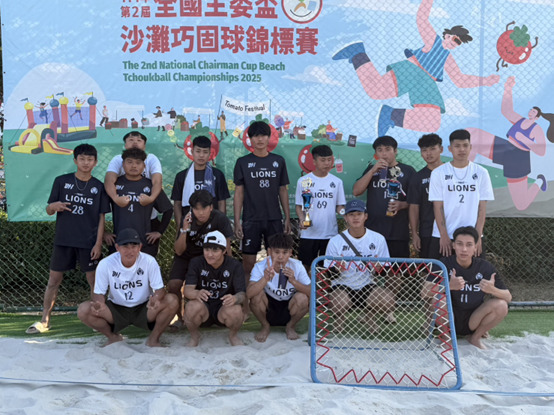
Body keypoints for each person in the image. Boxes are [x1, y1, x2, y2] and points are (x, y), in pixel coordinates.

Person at [332, 0, 499, 136]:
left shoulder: (448, 58)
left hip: (427, 83)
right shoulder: (433, 41)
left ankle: (391, 115)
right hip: (412, 71)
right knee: (376, 90)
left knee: (432, 122)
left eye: (458, 43)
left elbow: (460, 80)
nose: (454, 43)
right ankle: (358, 54)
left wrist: (485, 81)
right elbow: (422, 19)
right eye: (454, 39)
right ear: (448, 35)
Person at [26, 144, 110, 335]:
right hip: (63, 240)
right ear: (75, 161)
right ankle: (45, 320)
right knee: (53, 280)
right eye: (82, 159)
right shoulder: (61, 181)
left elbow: (101, 218)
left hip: (88, 242)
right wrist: (53, 206)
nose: (86, 162)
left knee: (94, 282)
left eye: (90, 159)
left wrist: (98, 243)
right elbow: (49, 210)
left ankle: (97, 319)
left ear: (95, 162)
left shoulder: (99, 187)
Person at [77, 228, 178, 347]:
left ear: (140, 247)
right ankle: (113, 337)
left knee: (172, 300)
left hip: (144, 307)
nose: (130, 251)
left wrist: (155, 299)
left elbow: (160, 289)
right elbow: (99, 292)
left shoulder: (149, 261)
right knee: (83, 310)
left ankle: (153, 339)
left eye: (134, 246)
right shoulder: (106, 264)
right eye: (125, 246)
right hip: (116, 309)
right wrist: (99, 303)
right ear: (117, 247)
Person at [466, 76, 553, 211]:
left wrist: (524, 139)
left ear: (537, 117)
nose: (531, 112)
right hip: (505, 148)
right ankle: (466, 176)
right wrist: (508, 89)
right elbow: (506, 111)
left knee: (521, 205)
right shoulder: (520, 120)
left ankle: (539, 181)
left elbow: (541, 151)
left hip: (518, 159)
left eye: (534, 111)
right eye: (531, 110)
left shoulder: (536, 129)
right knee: (472, 134)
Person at [422, 226, 511, 349]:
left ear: (475, 247)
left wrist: (492, 290)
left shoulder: (485, 267)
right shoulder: (443, 264)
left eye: (469, 245)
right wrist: (448, 286)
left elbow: (508, 297)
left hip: (474, 319)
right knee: (438, 299)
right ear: (453, 245)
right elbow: (424, 292)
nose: (464, 249)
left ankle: (475, 337)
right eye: (460, 244)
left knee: (501, 305)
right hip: (449, 317)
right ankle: (446, 338)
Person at [233, 121, 291, 296]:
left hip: (274, 219)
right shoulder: (243, 162)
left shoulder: (278, 161)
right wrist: (237, 221)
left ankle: (277, 299)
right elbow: (239, 193)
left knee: (279, 262)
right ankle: (246, 304)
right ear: (250, 139)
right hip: (251, 220)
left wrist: (287, 217)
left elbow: (283, 190)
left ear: (269, 138)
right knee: (248, 265)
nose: (259, 139)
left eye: (263, 135)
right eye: (255, 136)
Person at [324, 200, 395, 333]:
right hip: (343, 285)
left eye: (359, 214)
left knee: (388, 301)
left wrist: (378, 269)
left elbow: (385, 272)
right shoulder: (335, 241)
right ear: (345, 218)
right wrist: (337, 269)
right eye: (351, 215)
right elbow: (329, 275)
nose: (355, 218)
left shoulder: (378, 239)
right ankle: (339, 319)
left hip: (367, 285)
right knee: (339, 302)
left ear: (365, 216)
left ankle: (369, 316)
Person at [167, 190, 233, 330]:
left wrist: (228, 267)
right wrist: (184, 230)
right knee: (173, 284)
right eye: (196, 209)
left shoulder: (220, 219)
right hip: (186, 256)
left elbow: (227, 248)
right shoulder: (187, 219)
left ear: (211, 207)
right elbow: (178, 250)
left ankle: (218, 315)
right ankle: (179, 319)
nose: (200, 213)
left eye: (204, 208)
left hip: (207, 256)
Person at [428, 129, 494, 259]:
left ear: (471, 147)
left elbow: (482, 207)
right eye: (457, 146)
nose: (462, 149)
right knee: (439, 271)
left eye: (465, 145)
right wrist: (444, 235)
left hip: (471, 237)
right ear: (450, 149)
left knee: (475, 271)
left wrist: (477, 236)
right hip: (444, 235)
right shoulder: (438, 173)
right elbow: (437, 206)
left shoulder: (481, 172)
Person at [353, 135, 415, 258]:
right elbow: (356, 191)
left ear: (395, 151)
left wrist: (403, 204)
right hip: (373, 231)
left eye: (388, 149)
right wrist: (372, 171)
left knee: (397, 268)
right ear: (376, 153)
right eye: (380, 150)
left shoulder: (408, 171)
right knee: (373, 267)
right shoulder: (371, 169)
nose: (384, 154)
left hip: (397, 232)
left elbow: (417, 200)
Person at [105, 148, 172, 257]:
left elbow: (168, 210)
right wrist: (104, 233)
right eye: (129, 162)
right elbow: (98, 210)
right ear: (123, 164)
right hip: (119, 242)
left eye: (138, 163)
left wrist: (159, 232)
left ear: (144, 166)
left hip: (144, 243)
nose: (134, 166)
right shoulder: (114, 185)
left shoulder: (151, 186)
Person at [184, 231, 246, 347]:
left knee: (236, 310)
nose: (210, 254)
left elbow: (242, 294)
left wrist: (234, 298)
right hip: (203, 307)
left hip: (223, 307)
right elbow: (187, 290)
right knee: (191, 306)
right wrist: (197, 293)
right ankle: (194, 336)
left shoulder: (234, 265)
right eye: (207, 249)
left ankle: (233, 335)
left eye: (215, 250)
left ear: (224, 251)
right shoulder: (196, 262)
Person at [248, 233, 311, 342]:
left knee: (303, 298)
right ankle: (265, 326)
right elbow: (249, 294)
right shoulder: (260, 266)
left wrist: (293, 281)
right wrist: (265, 279)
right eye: (276, 252)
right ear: (269, 252)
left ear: (290, 253)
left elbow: (312, 292)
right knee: (256, 296)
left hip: (289, 307)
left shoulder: (297, 266)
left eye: (285, 252)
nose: (280, 257)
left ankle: (291, 326)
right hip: (268, 307)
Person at [295, 144, 346, 271]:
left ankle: (325, 285)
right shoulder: (303, 180)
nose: (327, 163)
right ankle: (307, 285)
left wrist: (346, 215)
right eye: (323, 160)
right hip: (309, 233)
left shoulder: (337, 182)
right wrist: (302, 219)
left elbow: (339, 206)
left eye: (329, 160)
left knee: (328, 269)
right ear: (314, 161)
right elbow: (299, 206)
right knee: (305, 267)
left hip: (330, 233)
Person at [171, 135, 230, 226]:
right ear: (192, 152)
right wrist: (181, 227)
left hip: (213, 224)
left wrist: (221, 225)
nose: (201, 155)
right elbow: (177, 204)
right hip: (189, 223)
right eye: (198, 151)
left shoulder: (218, 175)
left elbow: (221, 202)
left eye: (205, 152)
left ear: (210, 153)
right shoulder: (182, 176)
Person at [105, 131, 162, 210]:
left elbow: (157, 181)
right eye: (131, 140)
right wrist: (115, 198)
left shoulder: (151, 159)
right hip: (122, 210)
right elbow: (109, 181)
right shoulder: (117, 159)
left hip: (147, 210)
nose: (135, 142)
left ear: (144, 146)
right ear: (125, 145)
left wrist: (151, 199)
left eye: (139, 140)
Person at [408, 134, 444, 258]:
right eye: (424, 150)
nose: (428, 153)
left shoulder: (452, 172)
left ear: (441, 149)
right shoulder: (417, 178)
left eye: (433, 149)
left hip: (451, 230)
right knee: (430, 267)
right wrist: (415, 234)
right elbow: (414, 207)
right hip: (428, 231)